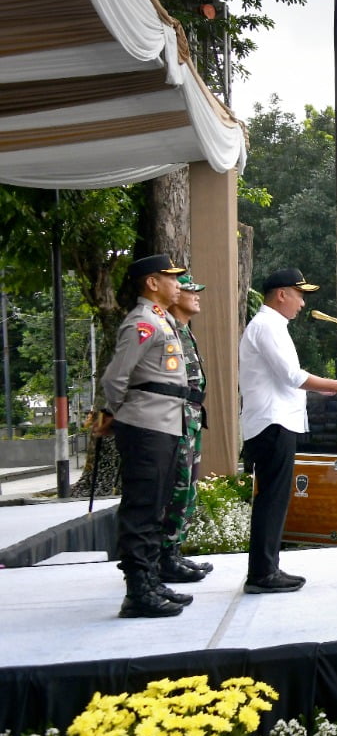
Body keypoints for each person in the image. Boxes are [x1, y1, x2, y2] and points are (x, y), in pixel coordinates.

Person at [239, 268, 337, 594]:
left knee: (275, 499)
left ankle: (267, 568)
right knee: (271, 499)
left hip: (276, 422)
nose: (303, 303)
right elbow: (292, 376)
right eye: (300, 294)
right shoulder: (267, 326)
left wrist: (330, 389)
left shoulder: (273, 326)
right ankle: (262, 573)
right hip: (272, 423)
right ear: (282, 294)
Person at [97, 254, 191, 618]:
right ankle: (137, 590)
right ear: (152, 283)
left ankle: (150, 579)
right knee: (142, 508)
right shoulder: (141, 322)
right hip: (145, 425)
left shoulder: (161, 319)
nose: (178, 284)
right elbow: (115, 377)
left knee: (157, 506)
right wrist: (114, 412)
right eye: (171, 278)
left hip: (164, 424)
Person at [159, 273, 213, 584]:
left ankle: (174, 552)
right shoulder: (167, 330)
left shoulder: (183, 331)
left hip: (190, 417)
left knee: (187, 488)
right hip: (176, 418)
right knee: (176, 488)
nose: (196, 296)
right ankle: (164, 556)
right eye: (190, 290)